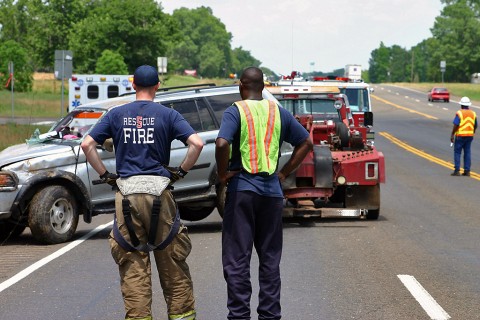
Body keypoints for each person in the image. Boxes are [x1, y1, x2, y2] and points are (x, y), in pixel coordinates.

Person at [81, 65, 203, 320]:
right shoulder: (168, 115)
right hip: (159, 193)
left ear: (133, 85)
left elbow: (87, 144)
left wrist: (105, 175)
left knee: (133, 266)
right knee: (172, 263)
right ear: (157, 86)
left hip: (126, 195)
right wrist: (180, 172)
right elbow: (197, 143)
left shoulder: (116, 114)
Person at [215, 66, 313, 319]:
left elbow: (222, 142)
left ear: (241, 86)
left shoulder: (236, 110)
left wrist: (223, 174)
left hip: (243, 190)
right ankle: (270, 315)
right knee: (269, 259)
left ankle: (239, 316)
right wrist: (283, 173)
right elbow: (306, 142)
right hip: (271, 192)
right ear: (263, 87)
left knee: (237, 259)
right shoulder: (277, 111)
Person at [450, 96, 477, 176]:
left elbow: (456, 124)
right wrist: (473, 132)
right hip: (469, 136)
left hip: (460, 135)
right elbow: (475, 125)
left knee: (457, 152)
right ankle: (467, 171)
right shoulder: (473, 113)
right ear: (468, 105)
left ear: (461, 105)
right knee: (467, 152)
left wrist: (452, 135)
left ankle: (457, 170)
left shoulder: (460, 113)